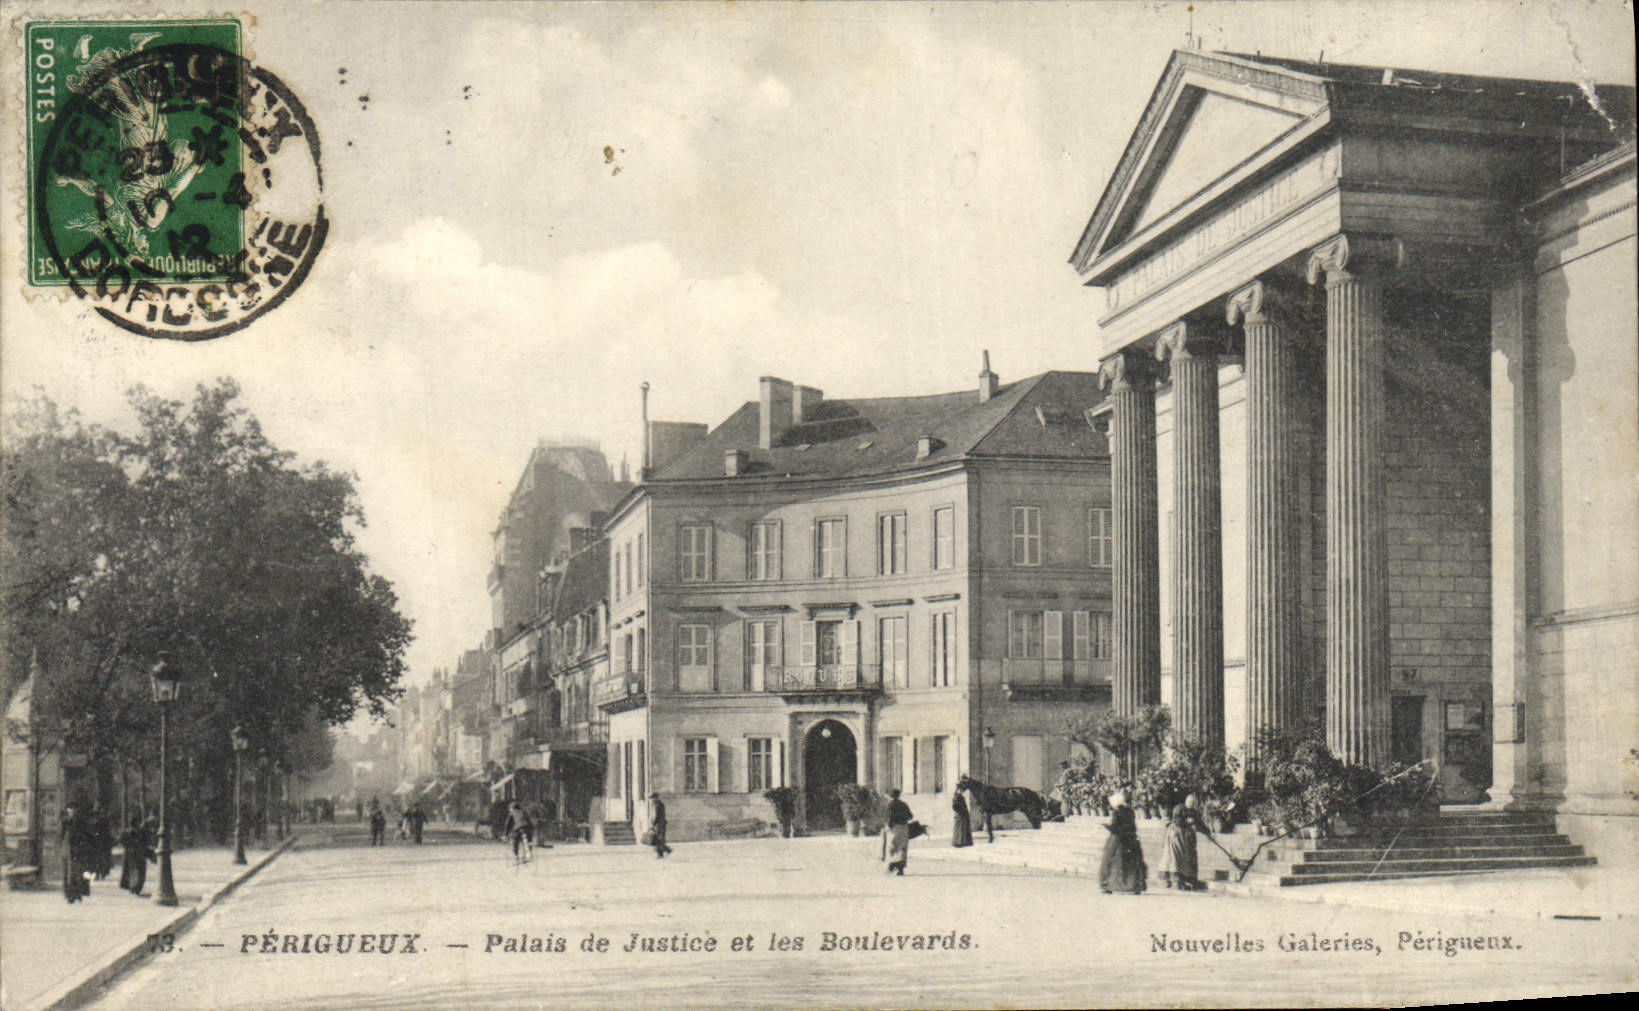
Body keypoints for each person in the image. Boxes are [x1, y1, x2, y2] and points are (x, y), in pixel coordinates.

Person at [1098, 791, 1146, 894]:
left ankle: (1111, 885)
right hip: (1130, 838)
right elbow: (1132, 827)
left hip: (1118, 839)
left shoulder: (1117, 812)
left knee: (1112, 860)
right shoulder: (1130, 811)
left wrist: (1107, 826)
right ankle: (1134, 886)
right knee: (1131, 862)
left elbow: (1116, 827)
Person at [1160, 795, 1211, 891]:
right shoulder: (1179, 808)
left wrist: (1207, 832)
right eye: (1190, 802)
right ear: (1186, 801)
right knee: (1176, 856)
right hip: (1176, 834)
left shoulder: (1194, 812)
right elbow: (1177, 820)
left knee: (1189, 856)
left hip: (1187, 837)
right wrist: (1186, 821)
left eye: (1193, 803)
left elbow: (1199, 824)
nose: (1191, 804)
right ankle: (1176, 880)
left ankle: (1189, 879)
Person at [60, 800, 92, 904]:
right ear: (68, 811)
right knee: (69, 874)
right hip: (68, 851)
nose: (72, 812)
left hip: (79, 851)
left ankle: (78, 894)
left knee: (78, 874)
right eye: (70, 810)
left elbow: (88, 837)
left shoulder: (82, 822)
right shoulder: (65, 822)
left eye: (74, 810)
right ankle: (70, 895)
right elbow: (60, 836)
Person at [118, 816, 154, 895]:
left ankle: (133, 887)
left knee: (132, 871)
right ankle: (136, 887)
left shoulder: (127, 831)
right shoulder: (140, 831)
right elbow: (147, 842)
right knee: (139, 871)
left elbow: (121, 841)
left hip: (130, 854)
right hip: (138, 854)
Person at [882, 788, 913, 875]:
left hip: (894, 828)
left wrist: (887, 826)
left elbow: (888, 817)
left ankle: (891, 866)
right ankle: (900, 869)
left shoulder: (890, 805)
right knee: (902, 848)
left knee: (892, 847)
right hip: (904, 827)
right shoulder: (903, 804)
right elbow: (910, 816)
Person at [645, 793, 672, 858]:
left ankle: (666, 851)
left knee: (658, 839)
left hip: (659, 824)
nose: (651, 800)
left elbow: (656, 816)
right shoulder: (660, 804)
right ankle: (662, 853)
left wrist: (652, 825)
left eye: (652, 799)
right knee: (659, 839)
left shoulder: (657, 805)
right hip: (661, 824)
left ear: (655, 798)